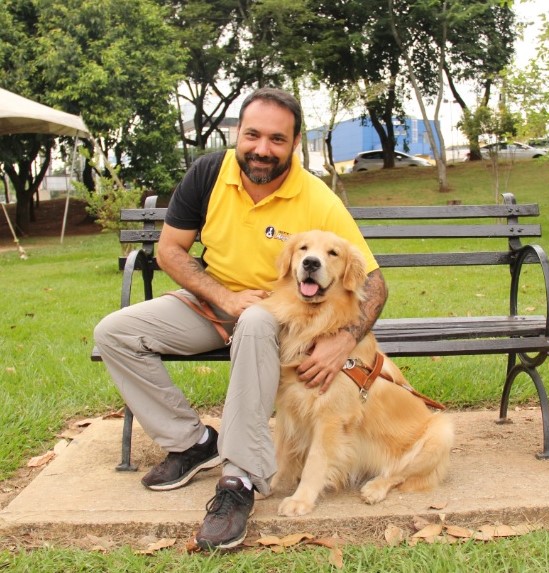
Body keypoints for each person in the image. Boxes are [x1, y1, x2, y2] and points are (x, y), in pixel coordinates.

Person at [94, 87, 388, 550]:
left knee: (254, 320)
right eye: (252, 135)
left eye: (277, 139)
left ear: (293, 144)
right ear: (237, 134)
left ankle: (240, 480)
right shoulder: (209, 173)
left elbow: (373, 282)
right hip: (212, 301)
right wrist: (224, 297)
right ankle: (193, 442)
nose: (262, 149)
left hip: (278, 316)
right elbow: (171, 251)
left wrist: (345, 340)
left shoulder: (315, 197)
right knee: (115, 332)